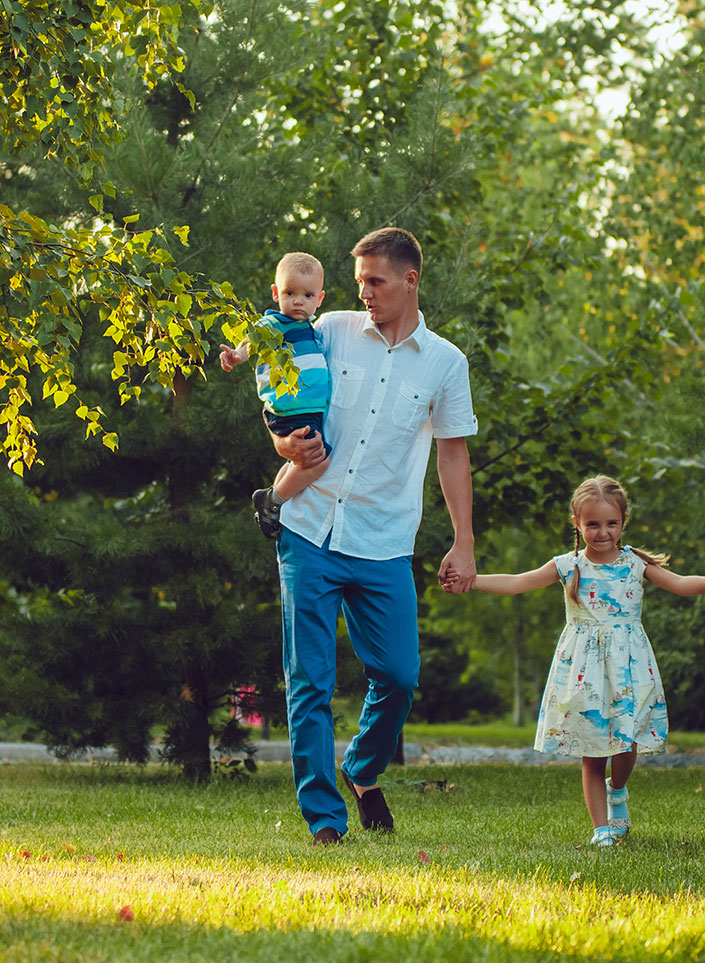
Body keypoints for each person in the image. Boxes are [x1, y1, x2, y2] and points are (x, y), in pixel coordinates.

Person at [270, 227, 478, 845]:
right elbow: (280, 397)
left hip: (384, 541)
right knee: (309, 678)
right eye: (358, 281)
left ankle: (361, 767)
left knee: (398, 675)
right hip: (309, 527)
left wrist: (463, 540)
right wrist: (284, 442)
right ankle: (325, 822)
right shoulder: (327, 330)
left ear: (410, 280)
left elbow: (453, 456)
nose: (363, 292)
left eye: (375, 281)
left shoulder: (445, 362)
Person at [472, 476, 705, 848]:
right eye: (593, 524)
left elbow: (680, 583)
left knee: (626, 743)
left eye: (611, 523)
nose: (602, 532)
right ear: (577, 523)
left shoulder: (635, 564)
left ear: (623, 522)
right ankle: (601, 828)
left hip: (628, 667)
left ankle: (617, 790)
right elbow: (518, 582)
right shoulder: (568, 566)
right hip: (583, 669)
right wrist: (472, 581)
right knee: (592, 745)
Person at [219, 252, 332, 539]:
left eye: (307, 295)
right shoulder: (274, 324)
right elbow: (252, 342)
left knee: (301, 461)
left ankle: (272, 500)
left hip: (305, 411)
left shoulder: (310, 329)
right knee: (320, 461)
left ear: (319, 299)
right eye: (290, 293)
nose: (298, 301)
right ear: (275, 293)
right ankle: (274, 501)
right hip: (289, 409)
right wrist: (236, 356)